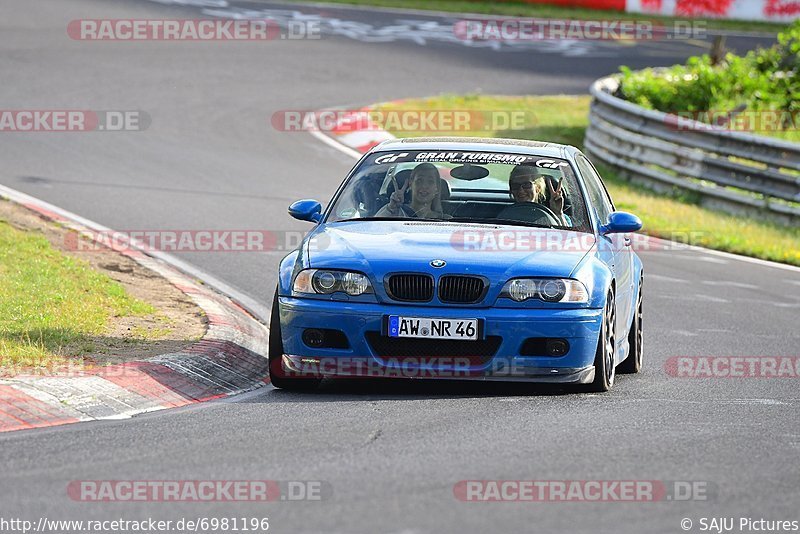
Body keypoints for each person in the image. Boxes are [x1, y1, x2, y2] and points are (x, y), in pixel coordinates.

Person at [500, 164, 570, 225]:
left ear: (538, 188)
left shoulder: (563, 218)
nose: (521, 190)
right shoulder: (504, 216)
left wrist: (558, 213)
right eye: (515, 186)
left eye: (526, 184)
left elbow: (568, 238)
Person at [376, 162, 450, 219]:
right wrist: (391, 208)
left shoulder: (447, 221)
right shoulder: (395, 212)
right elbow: (374, 227)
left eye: (430, 182)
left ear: (437, 188)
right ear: (411, 183)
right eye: (419, 181)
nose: (424, 186)